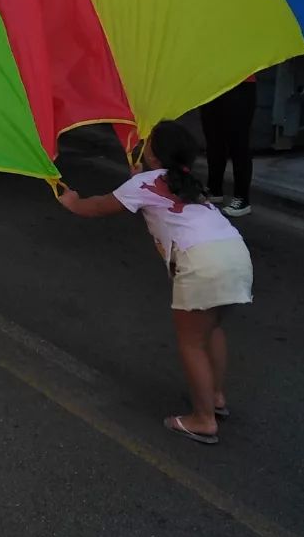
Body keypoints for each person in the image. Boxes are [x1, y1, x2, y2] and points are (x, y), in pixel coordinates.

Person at [58, 120, 253, 445]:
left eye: (148, 143)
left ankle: (203, 420)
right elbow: (156, 193)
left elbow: (98, 208)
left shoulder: (146, 182)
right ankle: (215, 397)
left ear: (155, 157)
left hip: (201, 262)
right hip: (235, 255)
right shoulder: (188, 181)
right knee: (212, 330)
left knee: (191, 342)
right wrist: (139, 176)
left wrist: (73, 203)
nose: (143, 145)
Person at [199, 78, 256, 217]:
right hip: (211, 81)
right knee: (213, 139)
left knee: (238, 141)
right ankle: (214, 188)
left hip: (241, 81)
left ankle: (242, 198)